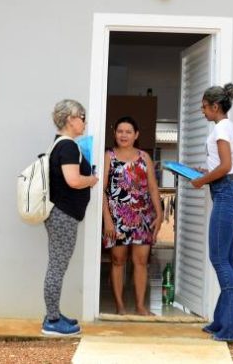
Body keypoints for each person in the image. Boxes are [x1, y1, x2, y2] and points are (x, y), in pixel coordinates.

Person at [191, 83, 233, 342]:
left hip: (225, 194)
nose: (202, 111)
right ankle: (222, 320)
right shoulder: (230, 127)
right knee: (228, 259)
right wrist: (207, 173)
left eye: (204, 106)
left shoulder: (221, 128)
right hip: (229, 192)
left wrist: (202, 180)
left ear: (215, 106)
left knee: (219, 258)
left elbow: (226, 166)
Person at [42, 99, 99, 336]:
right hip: (63, 215)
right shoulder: (68, 147)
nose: (84, 122)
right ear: (70, 119)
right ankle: (52, 321)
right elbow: (73, 181)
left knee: (57, 265)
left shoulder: (62, 145)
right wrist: (92, 179)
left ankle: (54, 314)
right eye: (82, 117)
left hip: (61, 214)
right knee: (57, 267)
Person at [102, 116, 163, 315]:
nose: (124, 135)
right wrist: (108, 221)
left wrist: (160, 214)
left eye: (128, 132)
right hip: (116, 219)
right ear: (115, 134)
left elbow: (153, 188)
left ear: (136, 135)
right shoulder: (108, 156)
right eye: (120, 131)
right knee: (118, 261)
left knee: (141, 262)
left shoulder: (144, 157)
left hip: (143, 217)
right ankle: (120, 306)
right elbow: (101, 191)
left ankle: (140, 306)